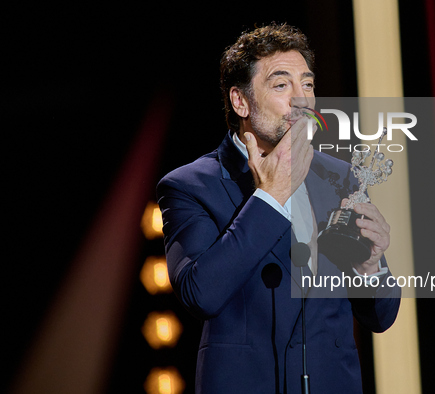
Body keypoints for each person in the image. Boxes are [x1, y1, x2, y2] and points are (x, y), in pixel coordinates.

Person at [157, 23, 401, 394]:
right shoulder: (191, 185)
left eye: (307, 84)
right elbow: (199, 293)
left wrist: (370, 268)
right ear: (241, 101)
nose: (301, 99)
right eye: (281, 84)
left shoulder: (341, 178)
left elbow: (381, 317)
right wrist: (270, 196)